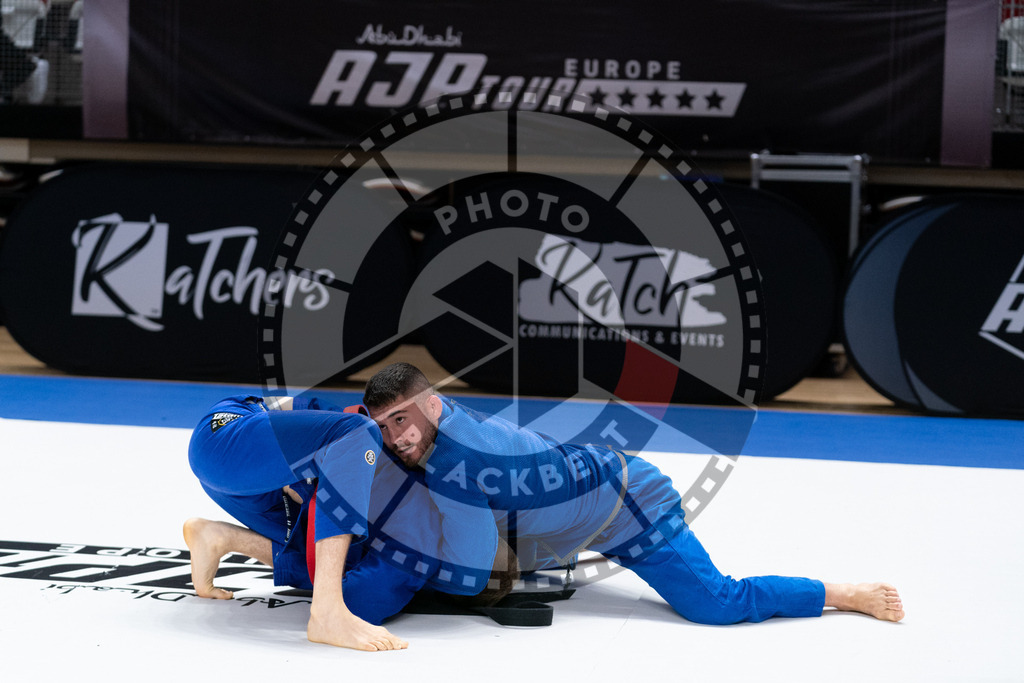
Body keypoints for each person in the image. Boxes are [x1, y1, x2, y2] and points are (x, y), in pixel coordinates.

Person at [363, 362, 905, 626]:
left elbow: (472, 570)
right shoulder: (441, 423)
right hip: (581, 487)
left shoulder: (454, 465)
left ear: (432, 405)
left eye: (401, 420)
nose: (394, 438)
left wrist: (400, 567)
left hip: (630, 508)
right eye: (383, 426)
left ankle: (841, 593)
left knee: (717, 604)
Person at [184, 393, 515, 652]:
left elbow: (327, 414)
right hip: (232, 447)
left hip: (241, 468)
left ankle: (218, 537)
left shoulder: (429, 492)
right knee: (357, 437)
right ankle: (325, 609)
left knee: (334, 553)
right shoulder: (412, 555)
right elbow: (359, 601)